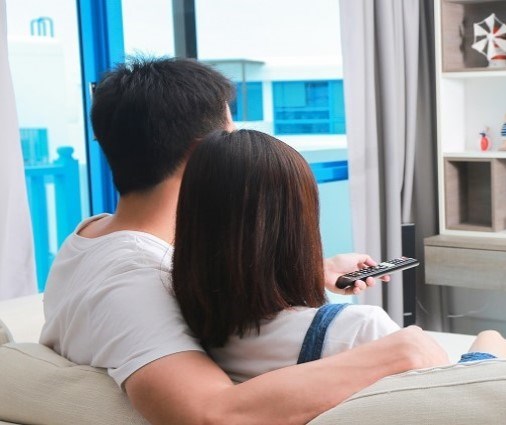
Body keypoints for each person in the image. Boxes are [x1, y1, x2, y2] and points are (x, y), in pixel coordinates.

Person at [38, 57, 451, 424]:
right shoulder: (131, 281)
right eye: (230, 131)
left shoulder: (94, 235)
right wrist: (403, 351)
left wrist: (307, 270)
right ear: (205, 153)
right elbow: (211, 415)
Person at [172, 130, 506, 381]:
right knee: (491, 339)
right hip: (458, 397)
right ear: (298, 227)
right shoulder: (358, 329)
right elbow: (443, 400)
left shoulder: (187, 328)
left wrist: (317, 272)